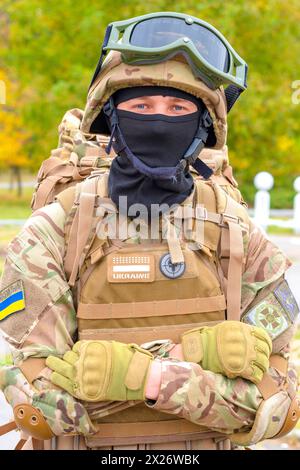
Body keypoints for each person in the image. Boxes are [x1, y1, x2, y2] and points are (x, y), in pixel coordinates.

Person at [0, 12, 299, 451]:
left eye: (178, 108)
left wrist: (148, 376)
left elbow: (277, 404)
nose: (160, 121)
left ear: (202, 127)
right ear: (112, 119)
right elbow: (41, 406)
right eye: (141, 107)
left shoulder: (236, 232)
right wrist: (196, 359)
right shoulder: (56, 229)